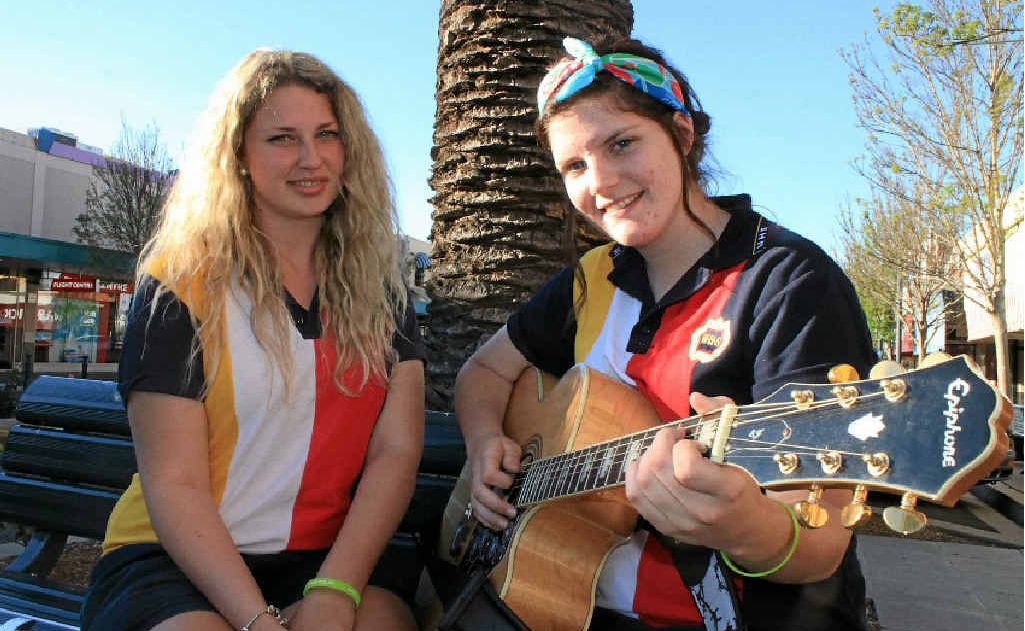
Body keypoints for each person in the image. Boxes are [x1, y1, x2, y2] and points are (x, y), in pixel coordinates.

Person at [453, 37, 874, 631]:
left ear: (681, 134)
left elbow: (821, 546)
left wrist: (743, 525)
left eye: (622, 144)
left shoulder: (788, 282)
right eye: (574, 166)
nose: (600, 183)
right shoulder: (592, 278)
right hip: (557, 603)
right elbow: (483, 372)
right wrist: (483, 444)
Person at [81, 49, 425, 631]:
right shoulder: (179, 284)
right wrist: (257, 623)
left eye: (327, 134)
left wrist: (337, 591)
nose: (311, 159)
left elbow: (397, 451)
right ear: (236, 156)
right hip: (178, 558)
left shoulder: (383, 293)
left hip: (329, 558)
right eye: (282, 138)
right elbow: (175, 483)